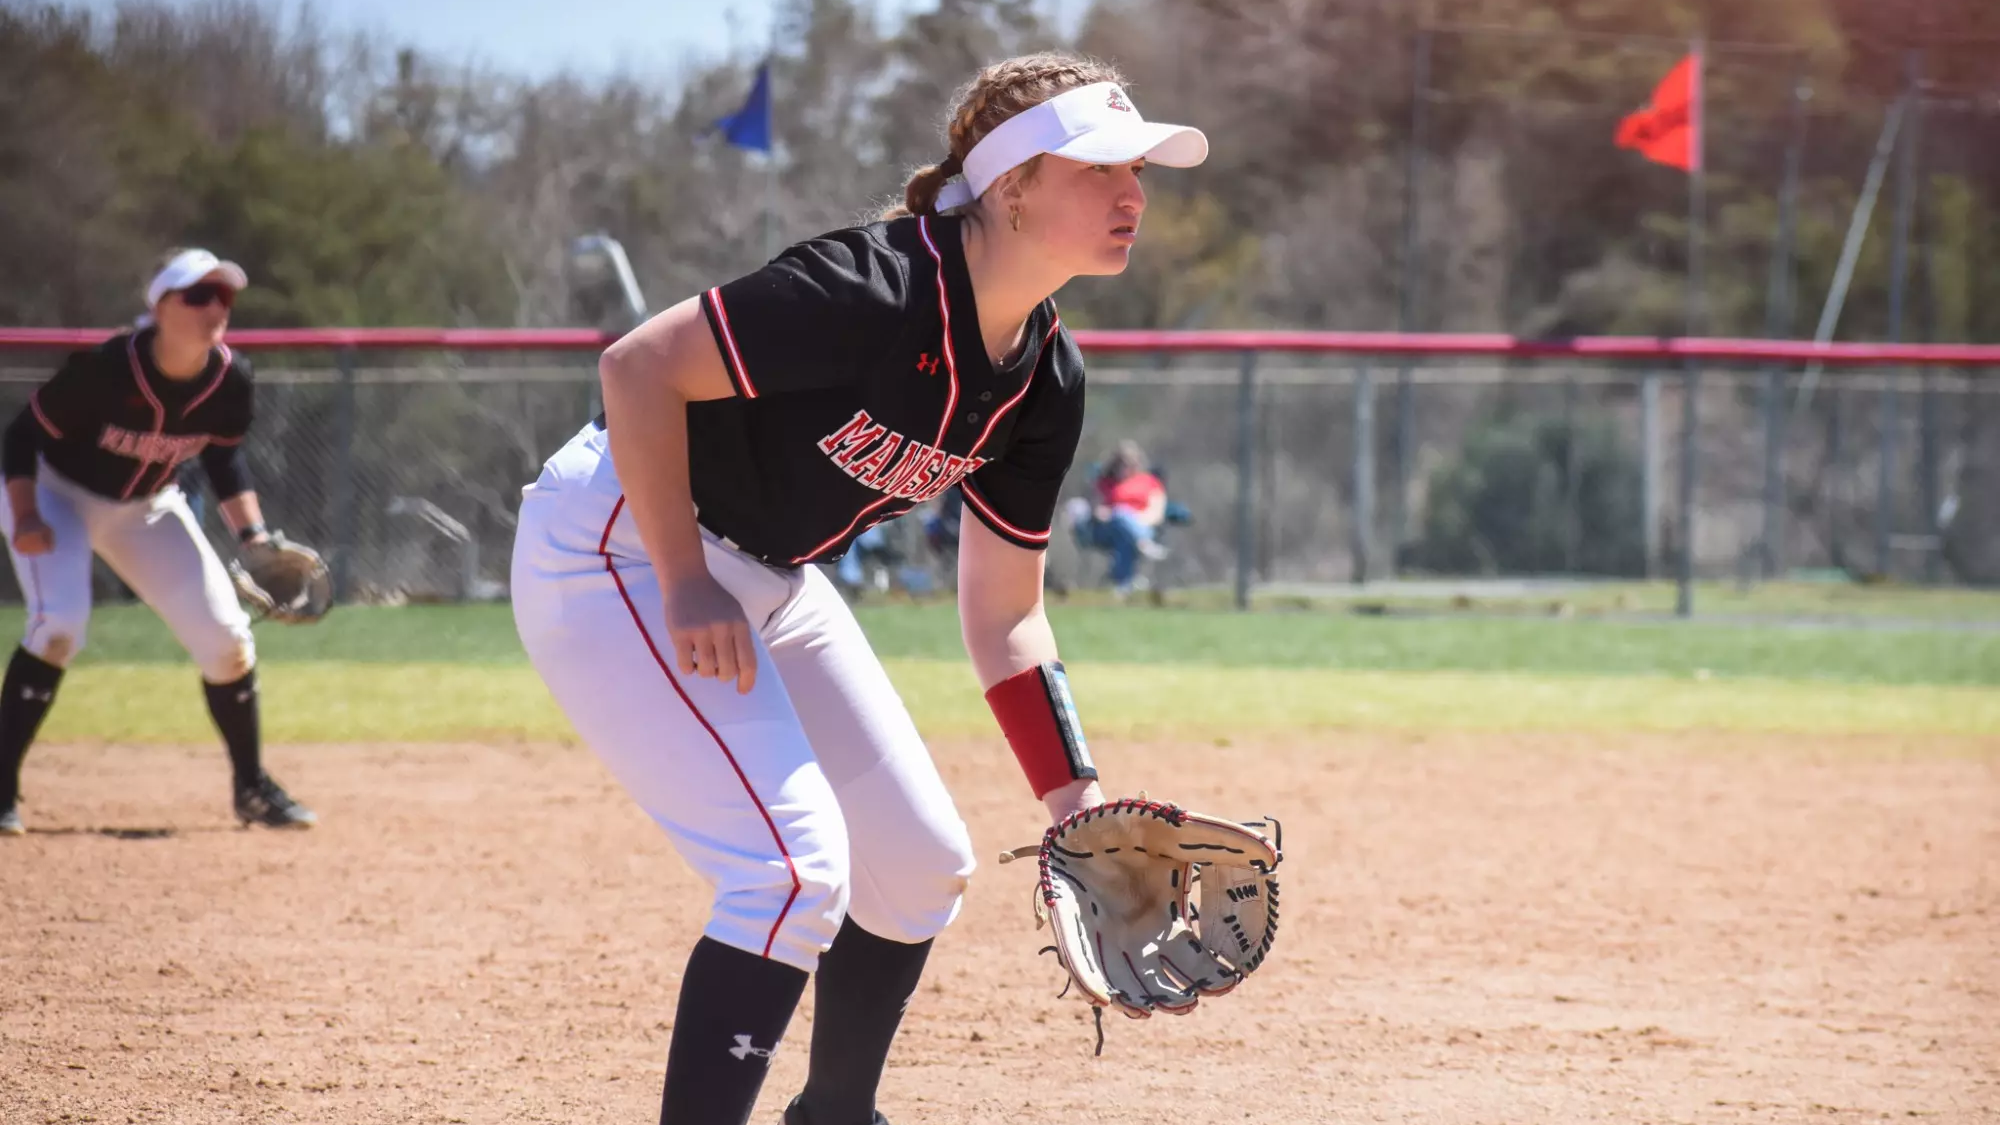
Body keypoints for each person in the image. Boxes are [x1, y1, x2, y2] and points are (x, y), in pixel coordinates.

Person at [509, 52, 1205, 1125]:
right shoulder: (875, 288)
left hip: (769, 577)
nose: (1133, 195)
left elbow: (1004, 613)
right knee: (789, 874)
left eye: (1141, 172)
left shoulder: (1044, 380)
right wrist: (685, 581)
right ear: (1012, 185)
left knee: (920, 866)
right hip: (620, 544)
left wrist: (1076, 801)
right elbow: (637, 367)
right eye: (1102, 168)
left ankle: (833, 1114)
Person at [0, 248, 317, 835]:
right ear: (162, 306)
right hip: (55, 495)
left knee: (227, 641)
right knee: (59, 626)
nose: (214, 308)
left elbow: (224, 458)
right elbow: (20, 436)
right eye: (199, 295)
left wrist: (254, 537)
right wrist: (24, 516)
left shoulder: (230, 378)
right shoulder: (105, 368)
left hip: (145, 508)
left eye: (223, 296)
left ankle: (251, 788)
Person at [1069, 438, 1170, 595]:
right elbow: (1098, 510)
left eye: (1130, 463)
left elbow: (1156, 513)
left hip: (1143, 526)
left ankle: (1123, 586)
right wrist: (1118, 515)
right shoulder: (1104, 483)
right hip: (1106, 528)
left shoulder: (1150, 482)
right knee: (1120, 516)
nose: (1125, 467)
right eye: (1121, 463)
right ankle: (1143, 545)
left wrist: (1130, 520)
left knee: (1124, 535)